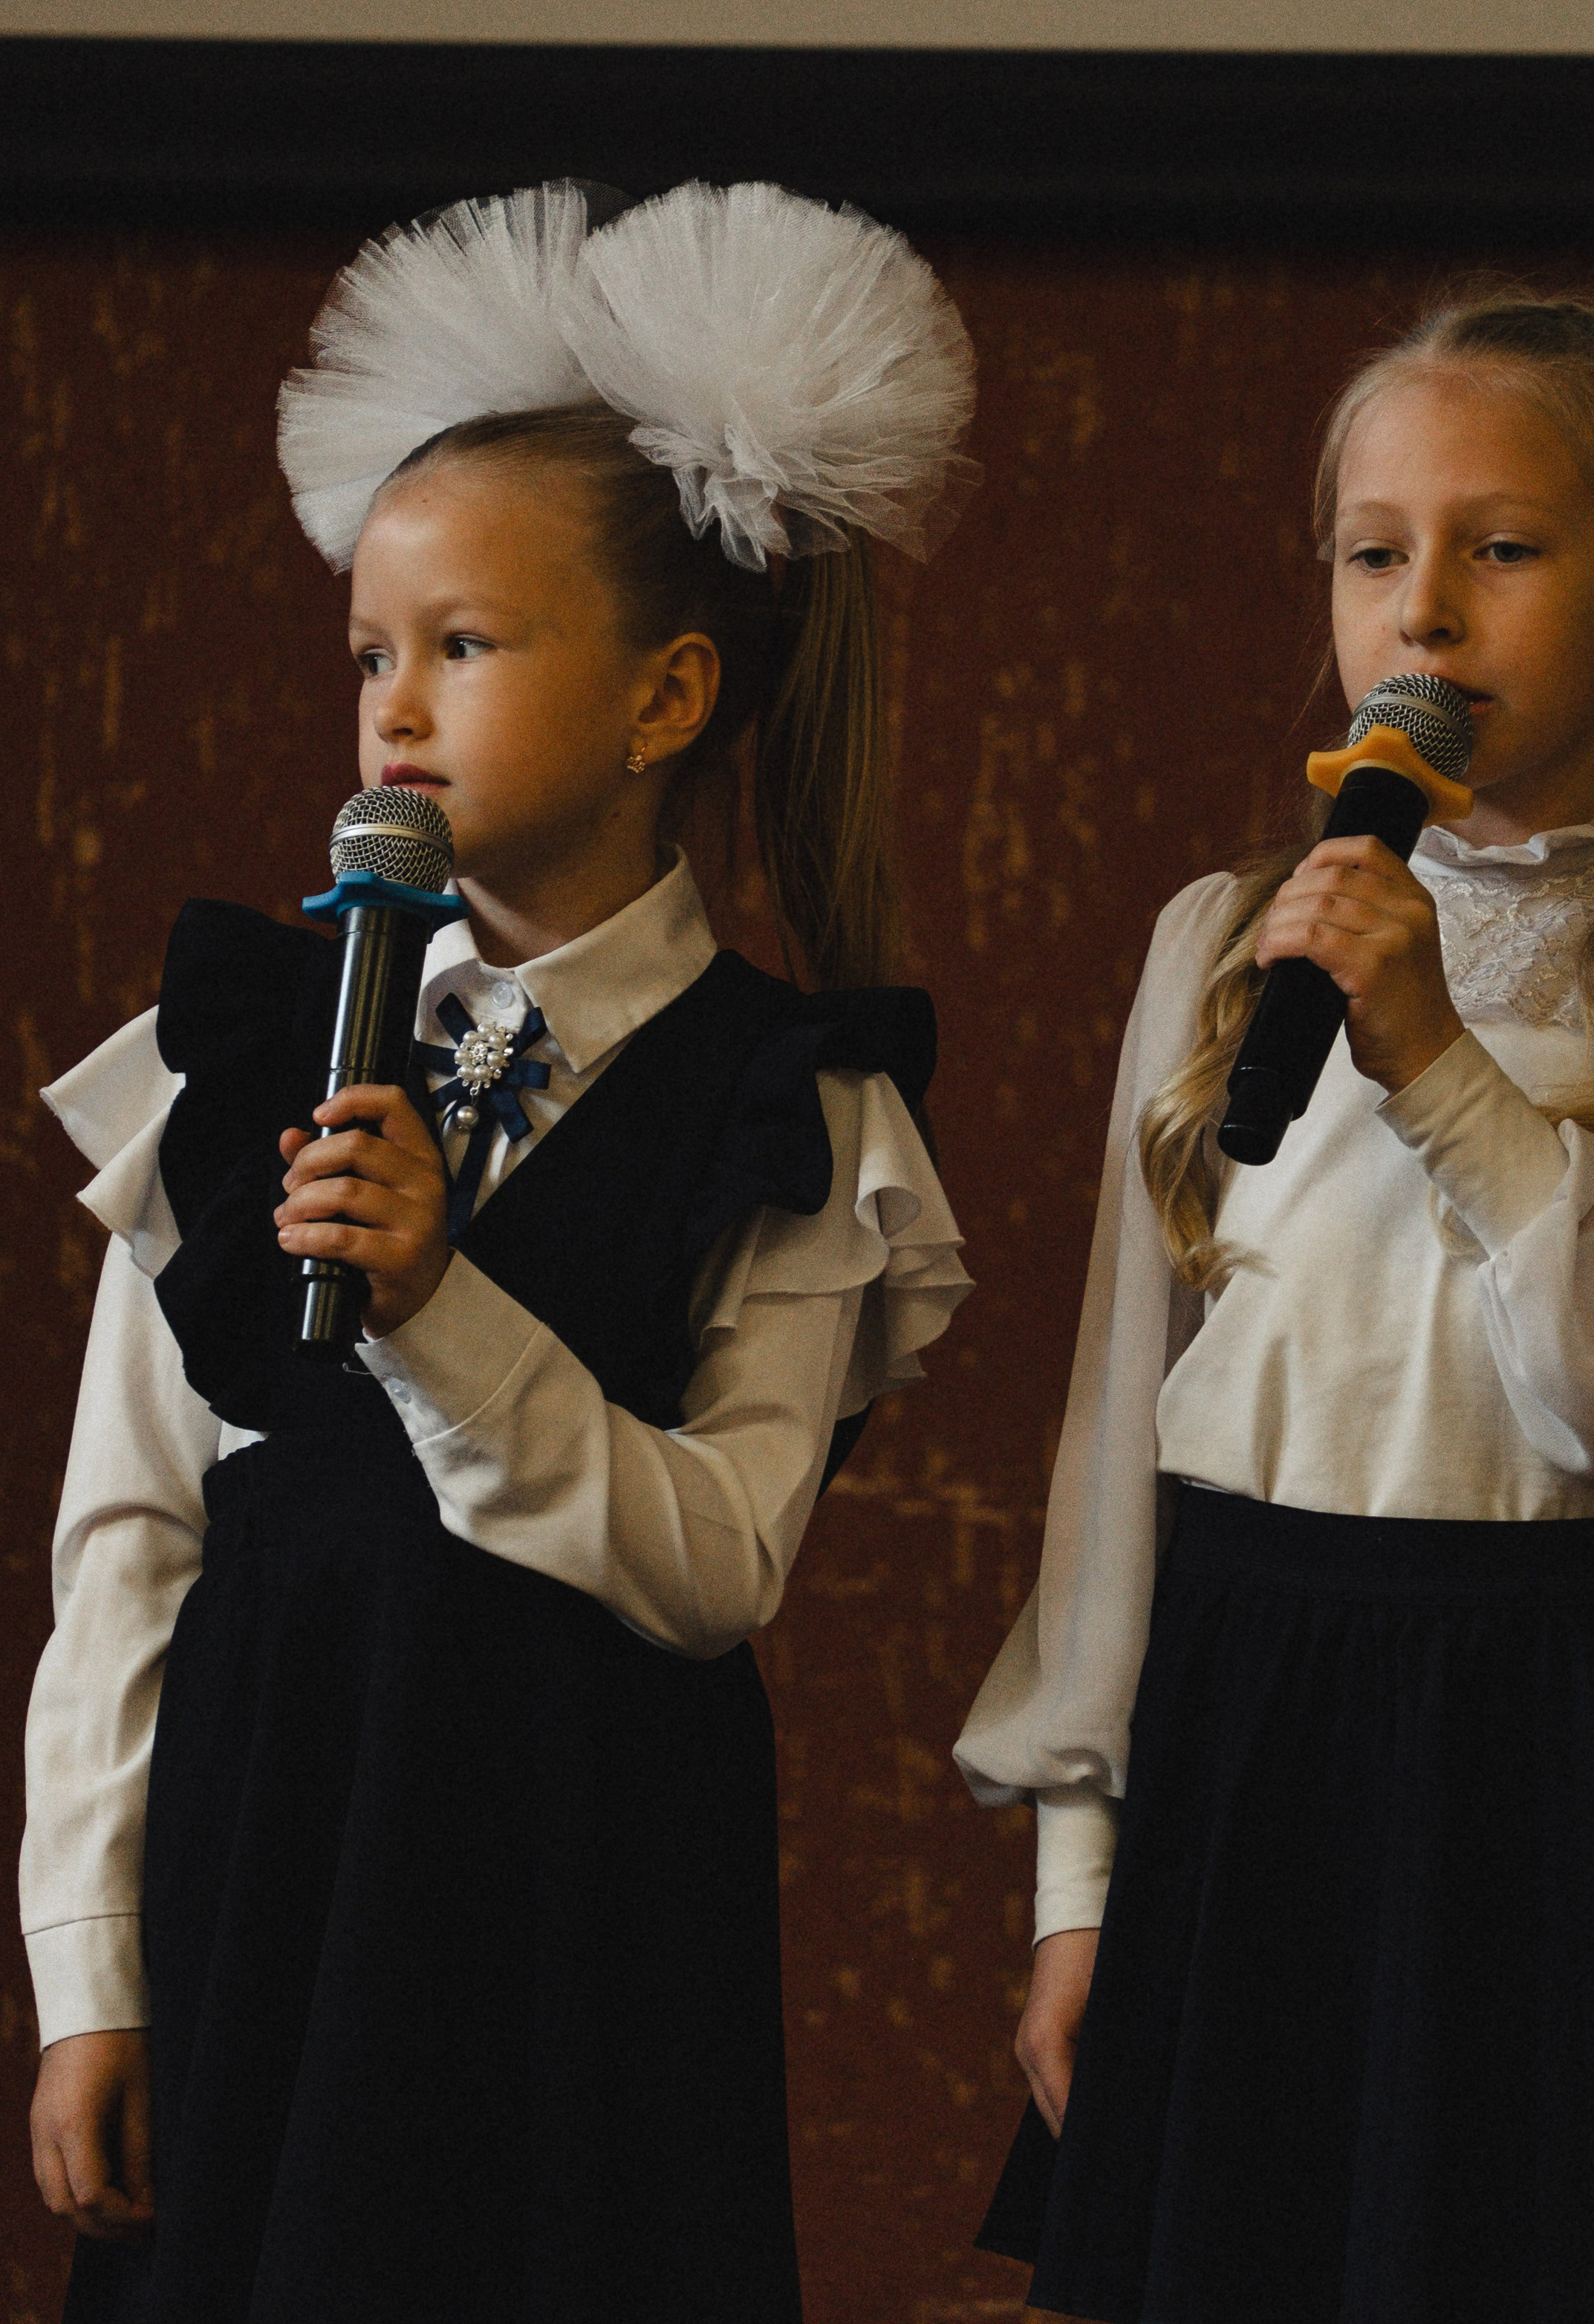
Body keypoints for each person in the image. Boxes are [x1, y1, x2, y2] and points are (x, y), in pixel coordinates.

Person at [22, 178, 977, 2324]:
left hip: (577, 1928)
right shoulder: (258, 1042)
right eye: (371, 649)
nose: (395, 707)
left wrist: (443, 1310)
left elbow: (724, 1554)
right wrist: (91, 1966)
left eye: (465, 645)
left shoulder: (791, 1107)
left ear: (667, 697)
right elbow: (130, 1535)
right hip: (270, 1886)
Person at [954, 296, 1594, 2324]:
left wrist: (1442, 1058)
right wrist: (1078, 1884)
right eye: (1375, 552)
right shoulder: (1225, 936)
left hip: (1546, 1728)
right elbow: (1122, 1424)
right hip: (1249, 1713)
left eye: (1503, 547)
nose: (1424, 610)